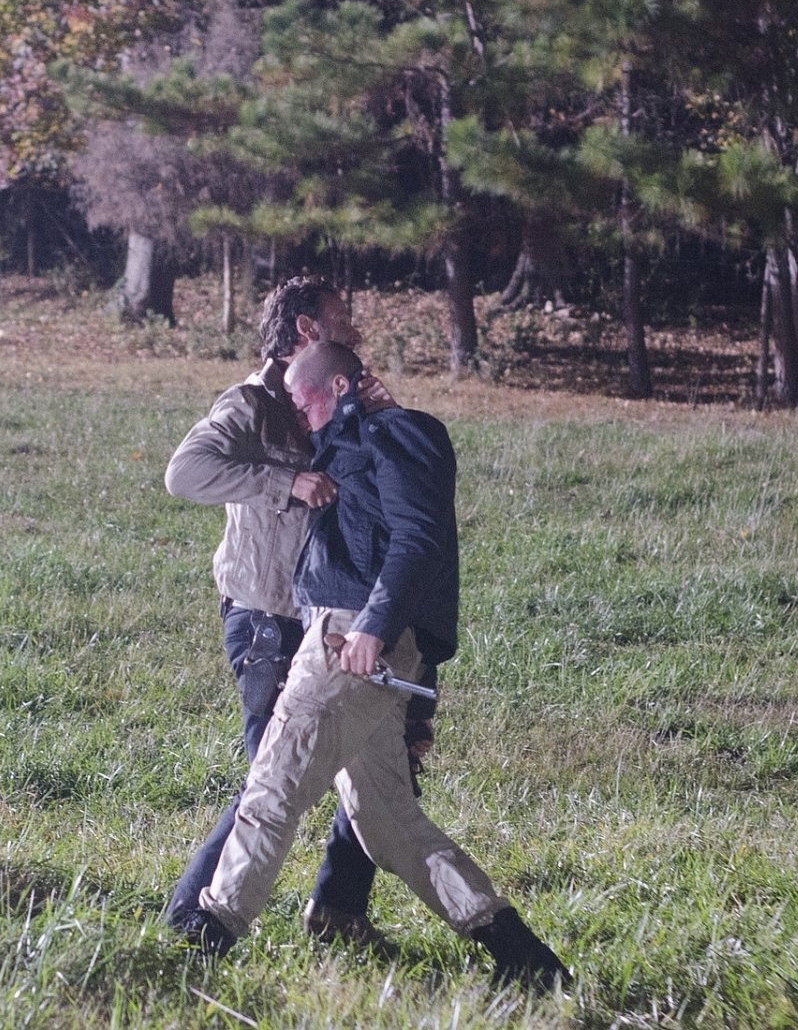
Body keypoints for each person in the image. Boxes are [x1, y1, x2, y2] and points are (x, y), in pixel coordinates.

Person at [177, 340, 569, 990]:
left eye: (302, 400)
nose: (297, 416)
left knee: (273, 787)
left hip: (348, 638)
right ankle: (525, 960)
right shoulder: (358, 438)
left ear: (332, 386)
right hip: (348, 634)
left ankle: (204, 942)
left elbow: (421, 543)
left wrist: (373, 630)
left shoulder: (407, 432)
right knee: (388, 823)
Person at [162, 276, 427, 949]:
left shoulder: (346, 403)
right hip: (267, 619)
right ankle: (194, 921)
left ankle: (337, 911)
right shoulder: (251, 404)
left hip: (338, 622)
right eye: (345, 315)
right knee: (271, 779)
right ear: (308, 329)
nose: (359, 327)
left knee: (382, 763)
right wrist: (285, 481)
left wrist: (381, 421)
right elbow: (184, 472)